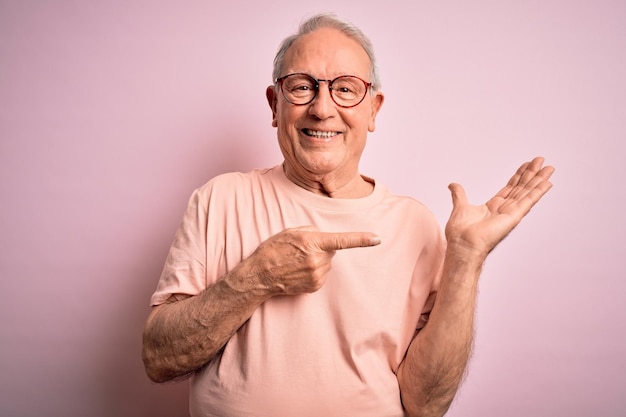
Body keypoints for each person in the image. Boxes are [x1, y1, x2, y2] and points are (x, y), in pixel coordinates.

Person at [142, 13, 554, 417]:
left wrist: (466, 258)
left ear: (373, 110)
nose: (322, 109)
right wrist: (257, 278)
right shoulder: (219, 199)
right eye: (302, 87)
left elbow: (425, 406)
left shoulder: (416, 225)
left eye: (345, 89)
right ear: (274, 104)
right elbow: (159, 359)